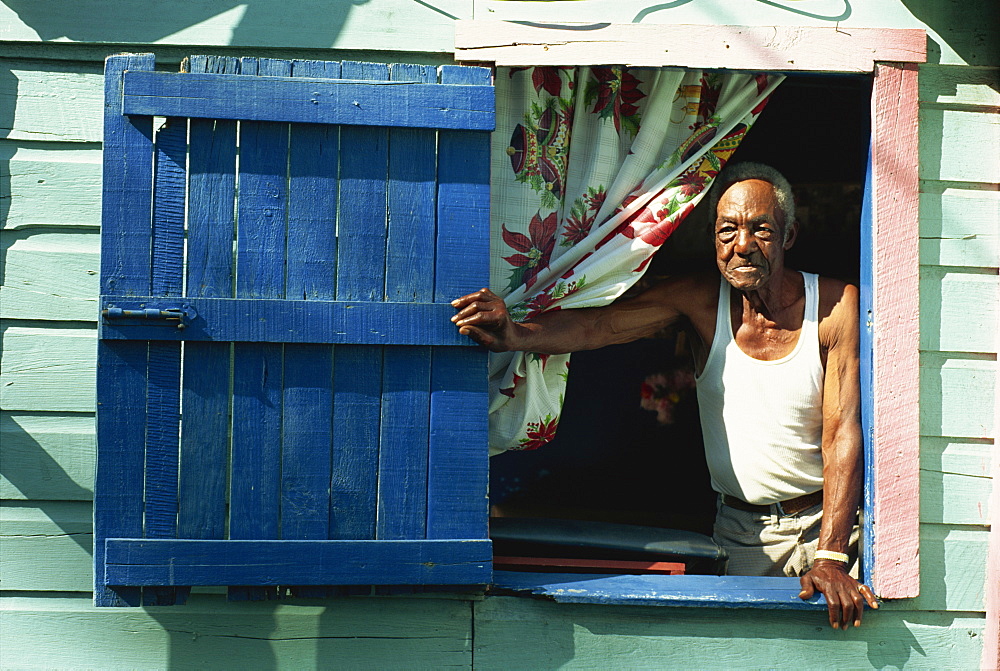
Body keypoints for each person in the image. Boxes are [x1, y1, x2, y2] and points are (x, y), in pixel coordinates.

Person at [451, 162, 879, 629]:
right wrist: (515, 333)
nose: (742, 246)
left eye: (761, 230)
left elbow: (841, 433)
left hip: (828, 522)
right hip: (743, 531)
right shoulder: (697, 301)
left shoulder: (836, 306)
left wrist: (833, 555)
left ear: (789, 236)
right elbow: (599, 326)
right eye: (727, 230)